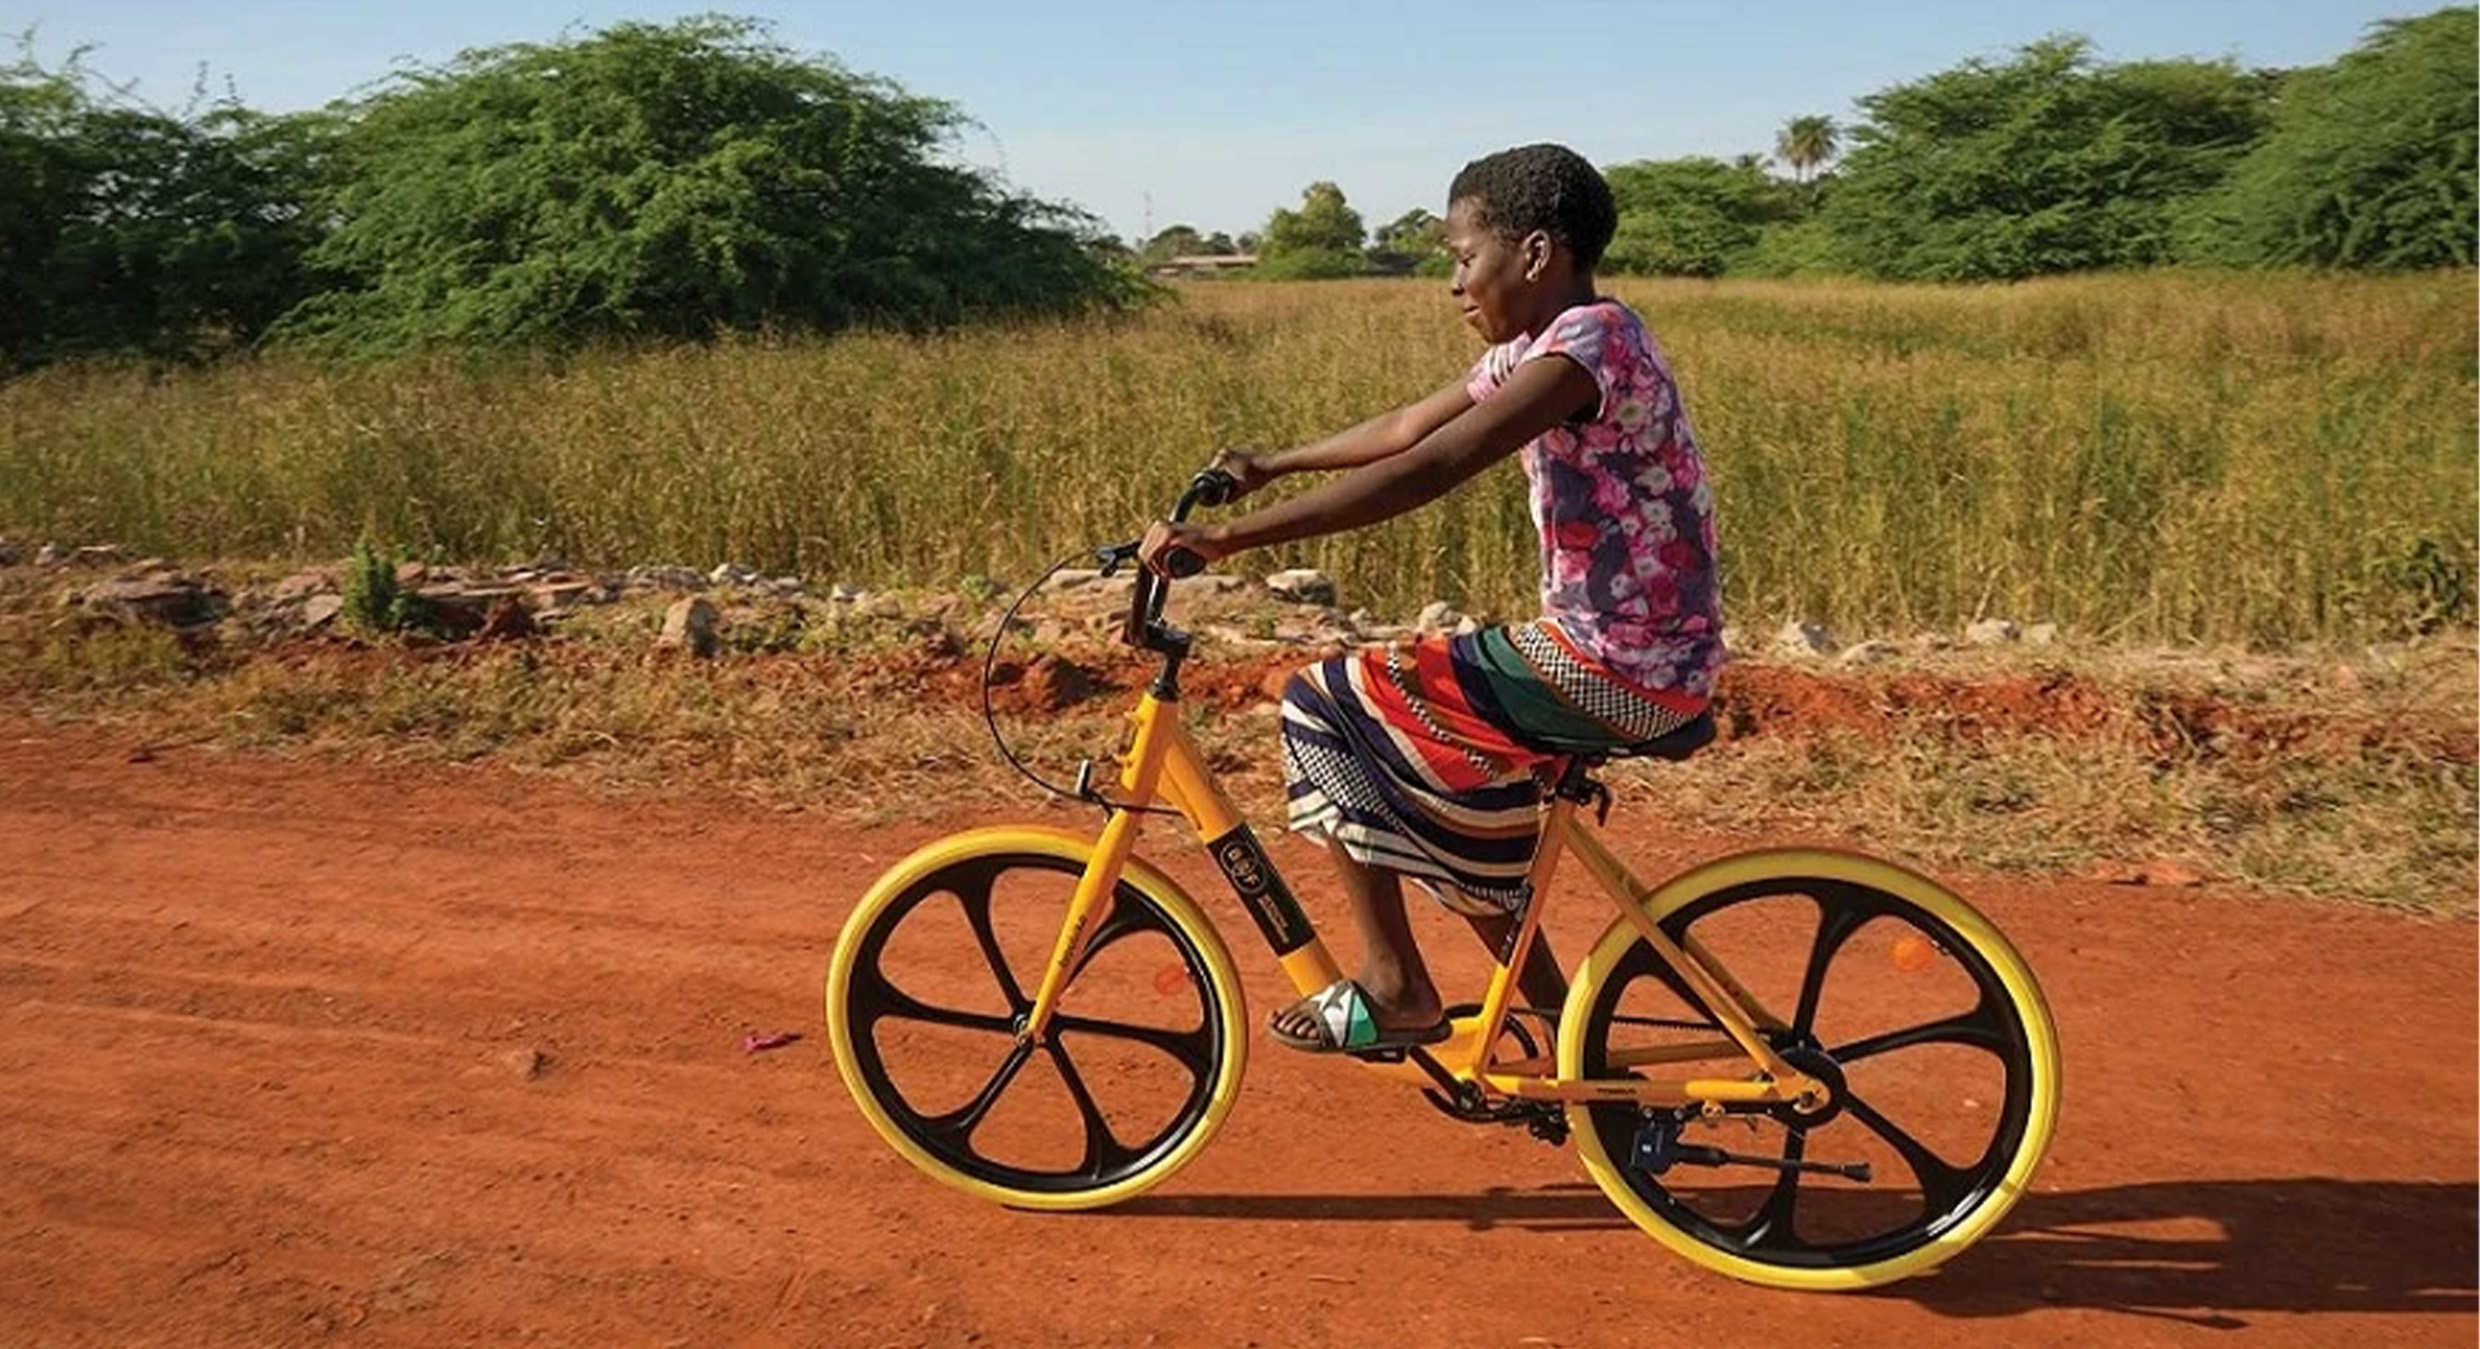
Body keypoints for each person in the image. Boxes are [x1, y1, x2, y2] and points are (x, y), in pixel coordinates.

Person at [1139, 143, 1724, 1055]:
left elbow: (1435, 464)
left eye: (1463, 256)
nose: (1455, 282)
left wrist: (1229, 542)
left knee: (1322, 703)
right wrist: (1270, 463)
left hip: (1620, 665)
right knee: (1453, 777)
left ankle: (1396, 983)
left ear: (1534, 255)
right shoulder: (1544, 346)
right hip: (1621, 656)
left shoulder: (1590, 346)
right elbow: (1412, 425)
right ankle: (1552, 1018)